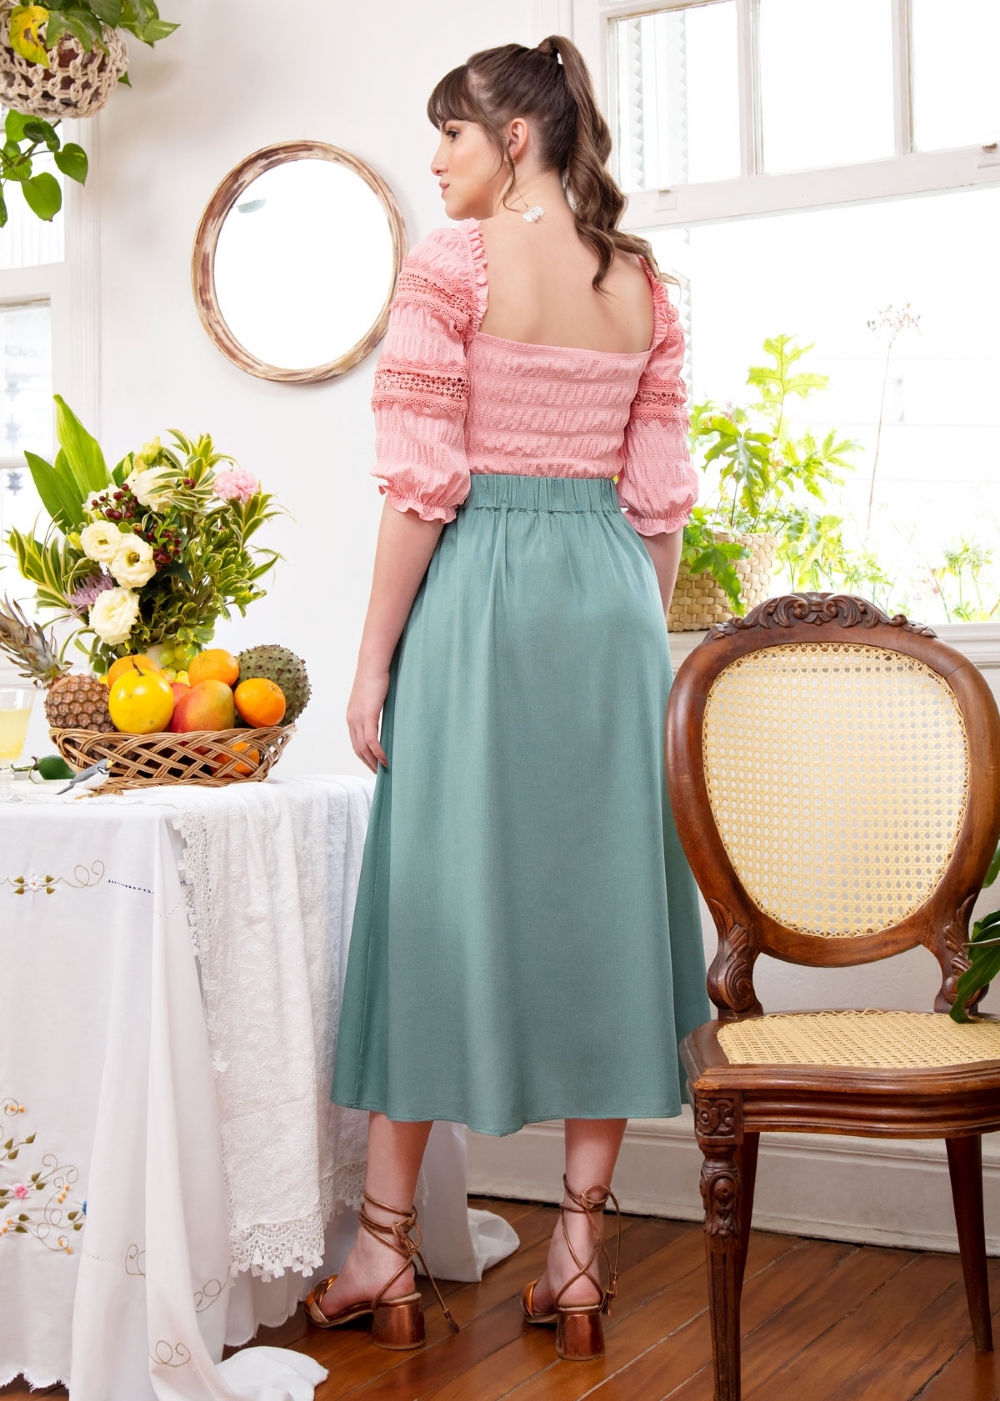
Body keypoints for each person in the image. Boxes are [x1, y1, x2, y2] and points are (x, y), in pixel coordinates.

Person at [309, 35, 709, 1362]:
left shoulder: (452, 267)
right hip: (609, 605)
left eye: (454, 135)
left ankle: (381, 1245)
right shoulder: (641, 283)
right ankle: (579, 1256)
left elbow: (421, 487)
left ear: (517, 139)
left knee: (433, 897)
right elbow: (661, 508)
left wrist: (373, 660)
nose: (437, 161)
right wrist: (629, 640)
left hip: (481, 596)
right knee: (605, 906)